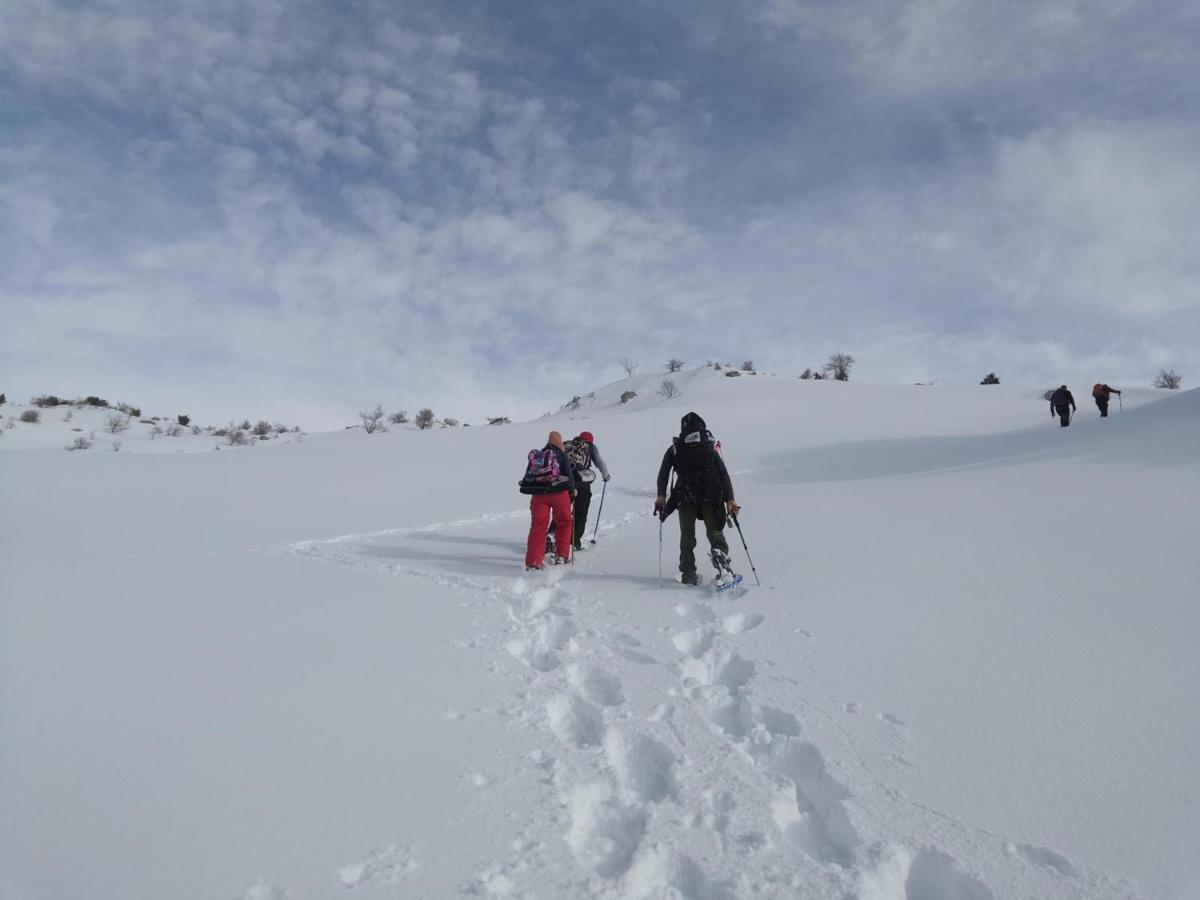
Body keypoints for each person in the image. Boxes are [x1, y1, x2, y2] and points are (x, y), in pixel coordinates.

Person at [654, 412, 740, 585]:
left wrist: (661, 496)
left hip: (685, 495)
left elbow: (663, 472)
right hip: (710, 493)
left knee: (687, 534)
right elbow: (723, 473)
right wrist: (730, 499)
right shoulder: (708, 446)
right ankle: (722, 562)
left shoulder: (675, 448)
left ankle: (688, 572)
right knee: (714, 530)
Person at [521, 431, 576, 570]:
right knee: (564, 522)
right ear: (559, 442)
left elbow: (528, 476)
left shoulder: (538, 456)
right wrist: (572, 491)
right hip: (559, 493)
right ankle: (561, 556)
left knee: (538, 527)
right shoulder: (561, 455)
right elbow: (569, 476)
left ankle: (534, 562)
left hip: (539, 495)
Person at [564, 431, 610, 551]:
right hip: (582, 481)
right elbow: (599, 461)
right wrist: (605, 475)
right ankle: (574, 542)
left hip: (565, 481)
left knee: (562, 511)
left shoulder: (569, 445)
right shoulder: (590, 447)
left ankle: (552, 535)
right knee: (581, 512)